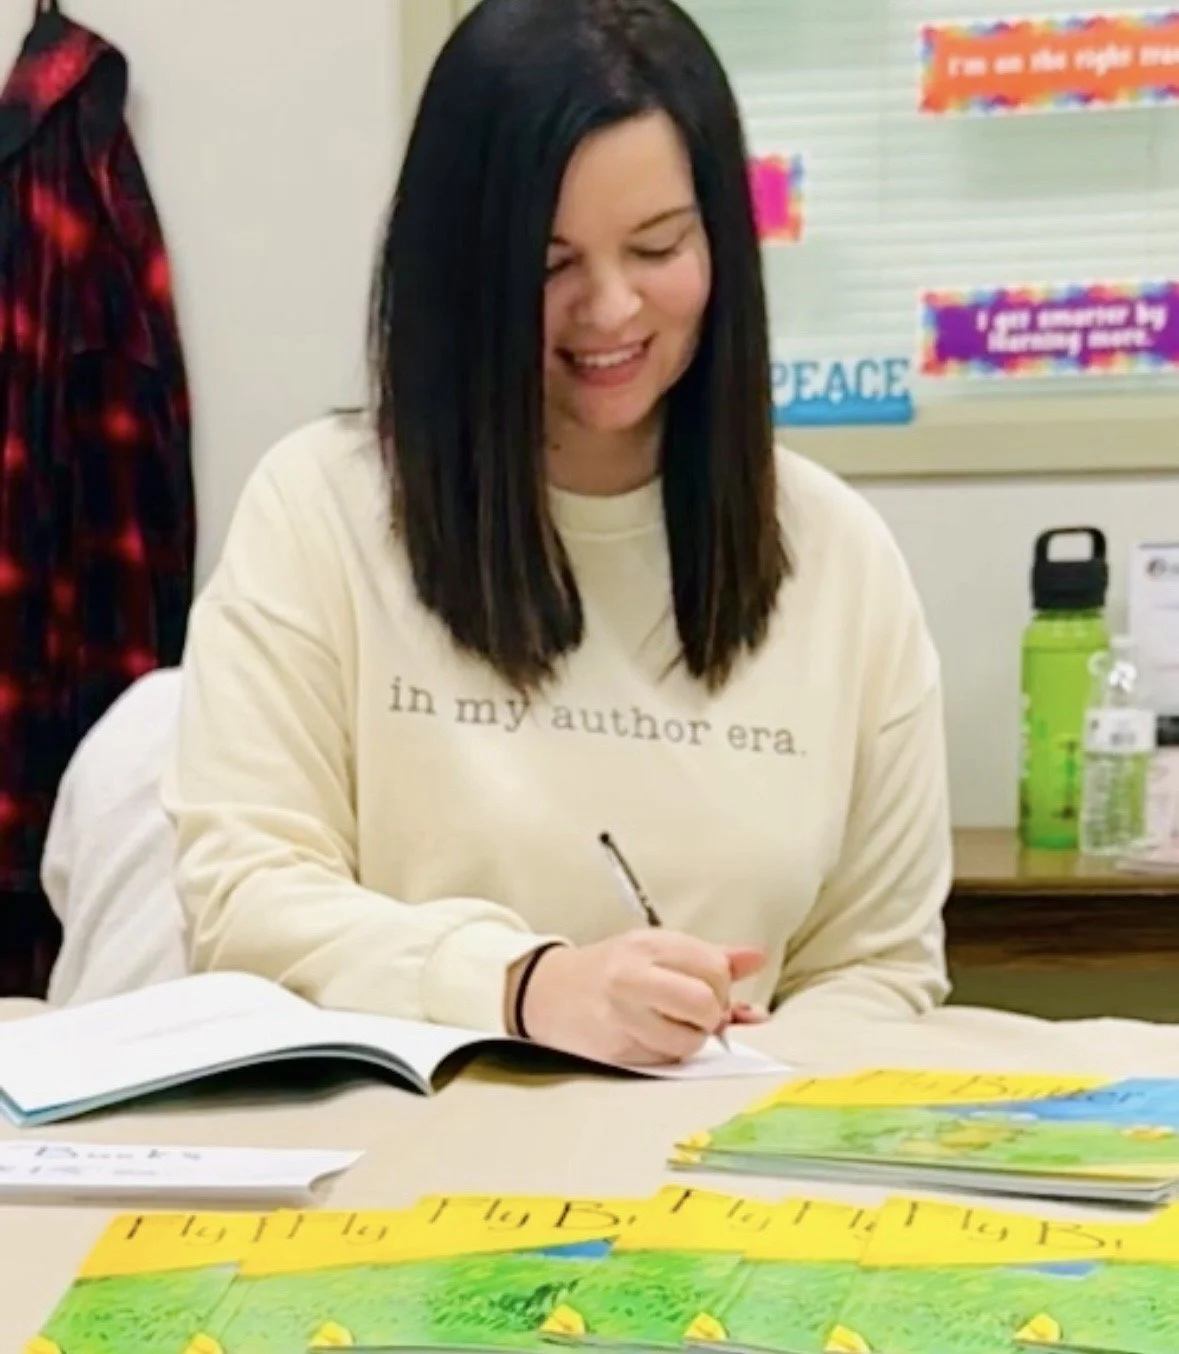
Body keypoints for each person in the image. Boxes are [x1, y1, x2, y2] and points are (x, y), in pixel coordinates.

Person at [162, 0, 951, 1067]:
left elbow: (880, 966)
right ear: (460, 270)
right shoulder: (321, 511)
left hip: (731, 1177)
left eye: (658, 245)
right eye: (549, 265)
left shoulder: (836, 555)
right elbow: (246, 899)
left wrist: (758, 1082)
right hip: (405, 1169)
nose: (612, 308)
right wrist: (526, 987)